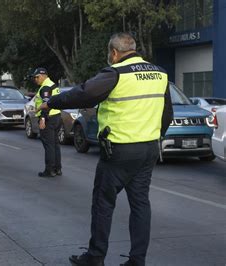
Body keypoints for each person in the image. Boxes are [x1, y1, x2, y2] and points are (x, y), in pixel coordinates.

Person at [39, 33, 173, 266]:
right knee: (140, 204)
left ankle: (96, 256)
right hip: (149, 149)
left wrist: (51, 102)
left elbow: (83, 94)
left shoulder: (115, 73)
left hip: (120, 151)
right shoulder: (159, 73)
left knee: (103, 202)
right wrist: (154, 136)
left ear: (114, 53)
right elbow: (167, 113)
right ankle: (137, 261)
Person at [33, 68, 62, 178]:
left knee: (49, 145)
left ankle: (50, 170)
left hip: (48, 118)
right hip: (57, 116)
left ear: (42, 76)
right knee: (55, 144)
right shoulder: (52, 84)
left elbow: (46, 104)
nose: (35, 79)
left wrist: (43, 119)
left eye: (36, 77)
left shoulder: (45, 87)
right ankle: (57, 168)